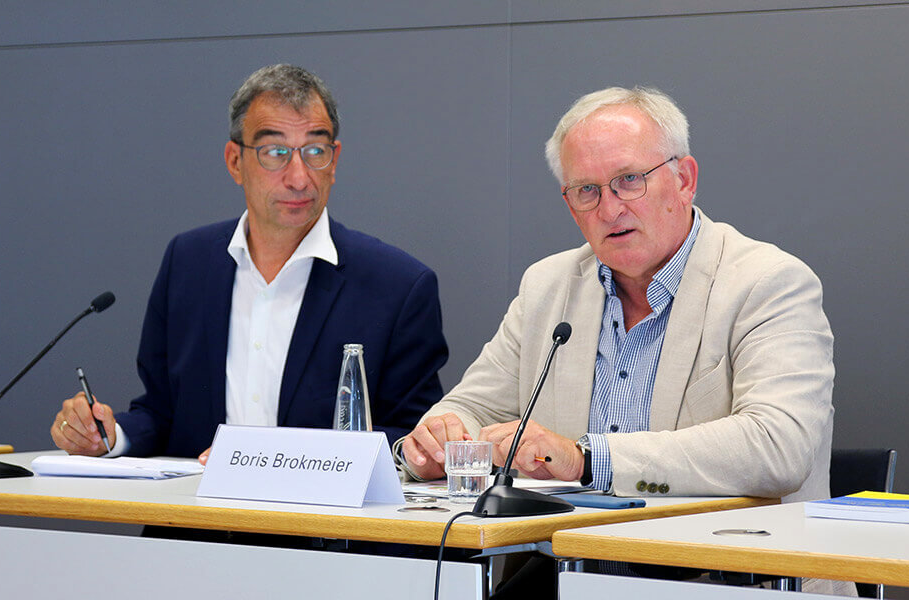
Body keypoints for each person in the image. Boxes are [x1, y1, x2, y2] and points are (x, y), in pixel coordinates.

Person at [399, 86, 834, 503]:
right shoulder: (547, 288)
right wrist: (437, 441)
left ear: (684, 179)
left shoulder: (768, 282)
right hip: (564, 566)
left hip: (728, 571)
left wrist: (587, 460)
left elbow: (780, 446)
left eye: (629, 180)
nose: (610, 209)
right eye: (587, 190)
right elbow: (471, 409)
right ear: (571, 206)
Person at [51, 64, 449, 460]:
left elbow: (411, 442)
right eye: (275, 152)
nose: (298, 177)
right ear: (235, 162)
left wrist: (268, 458)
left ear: (335, 159)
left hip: (321, 522)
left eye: (315, 151)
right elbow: (162, 411)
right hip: (196, 517)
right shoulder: (188, 262)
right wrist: (108, 435)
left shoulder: (397, 286)